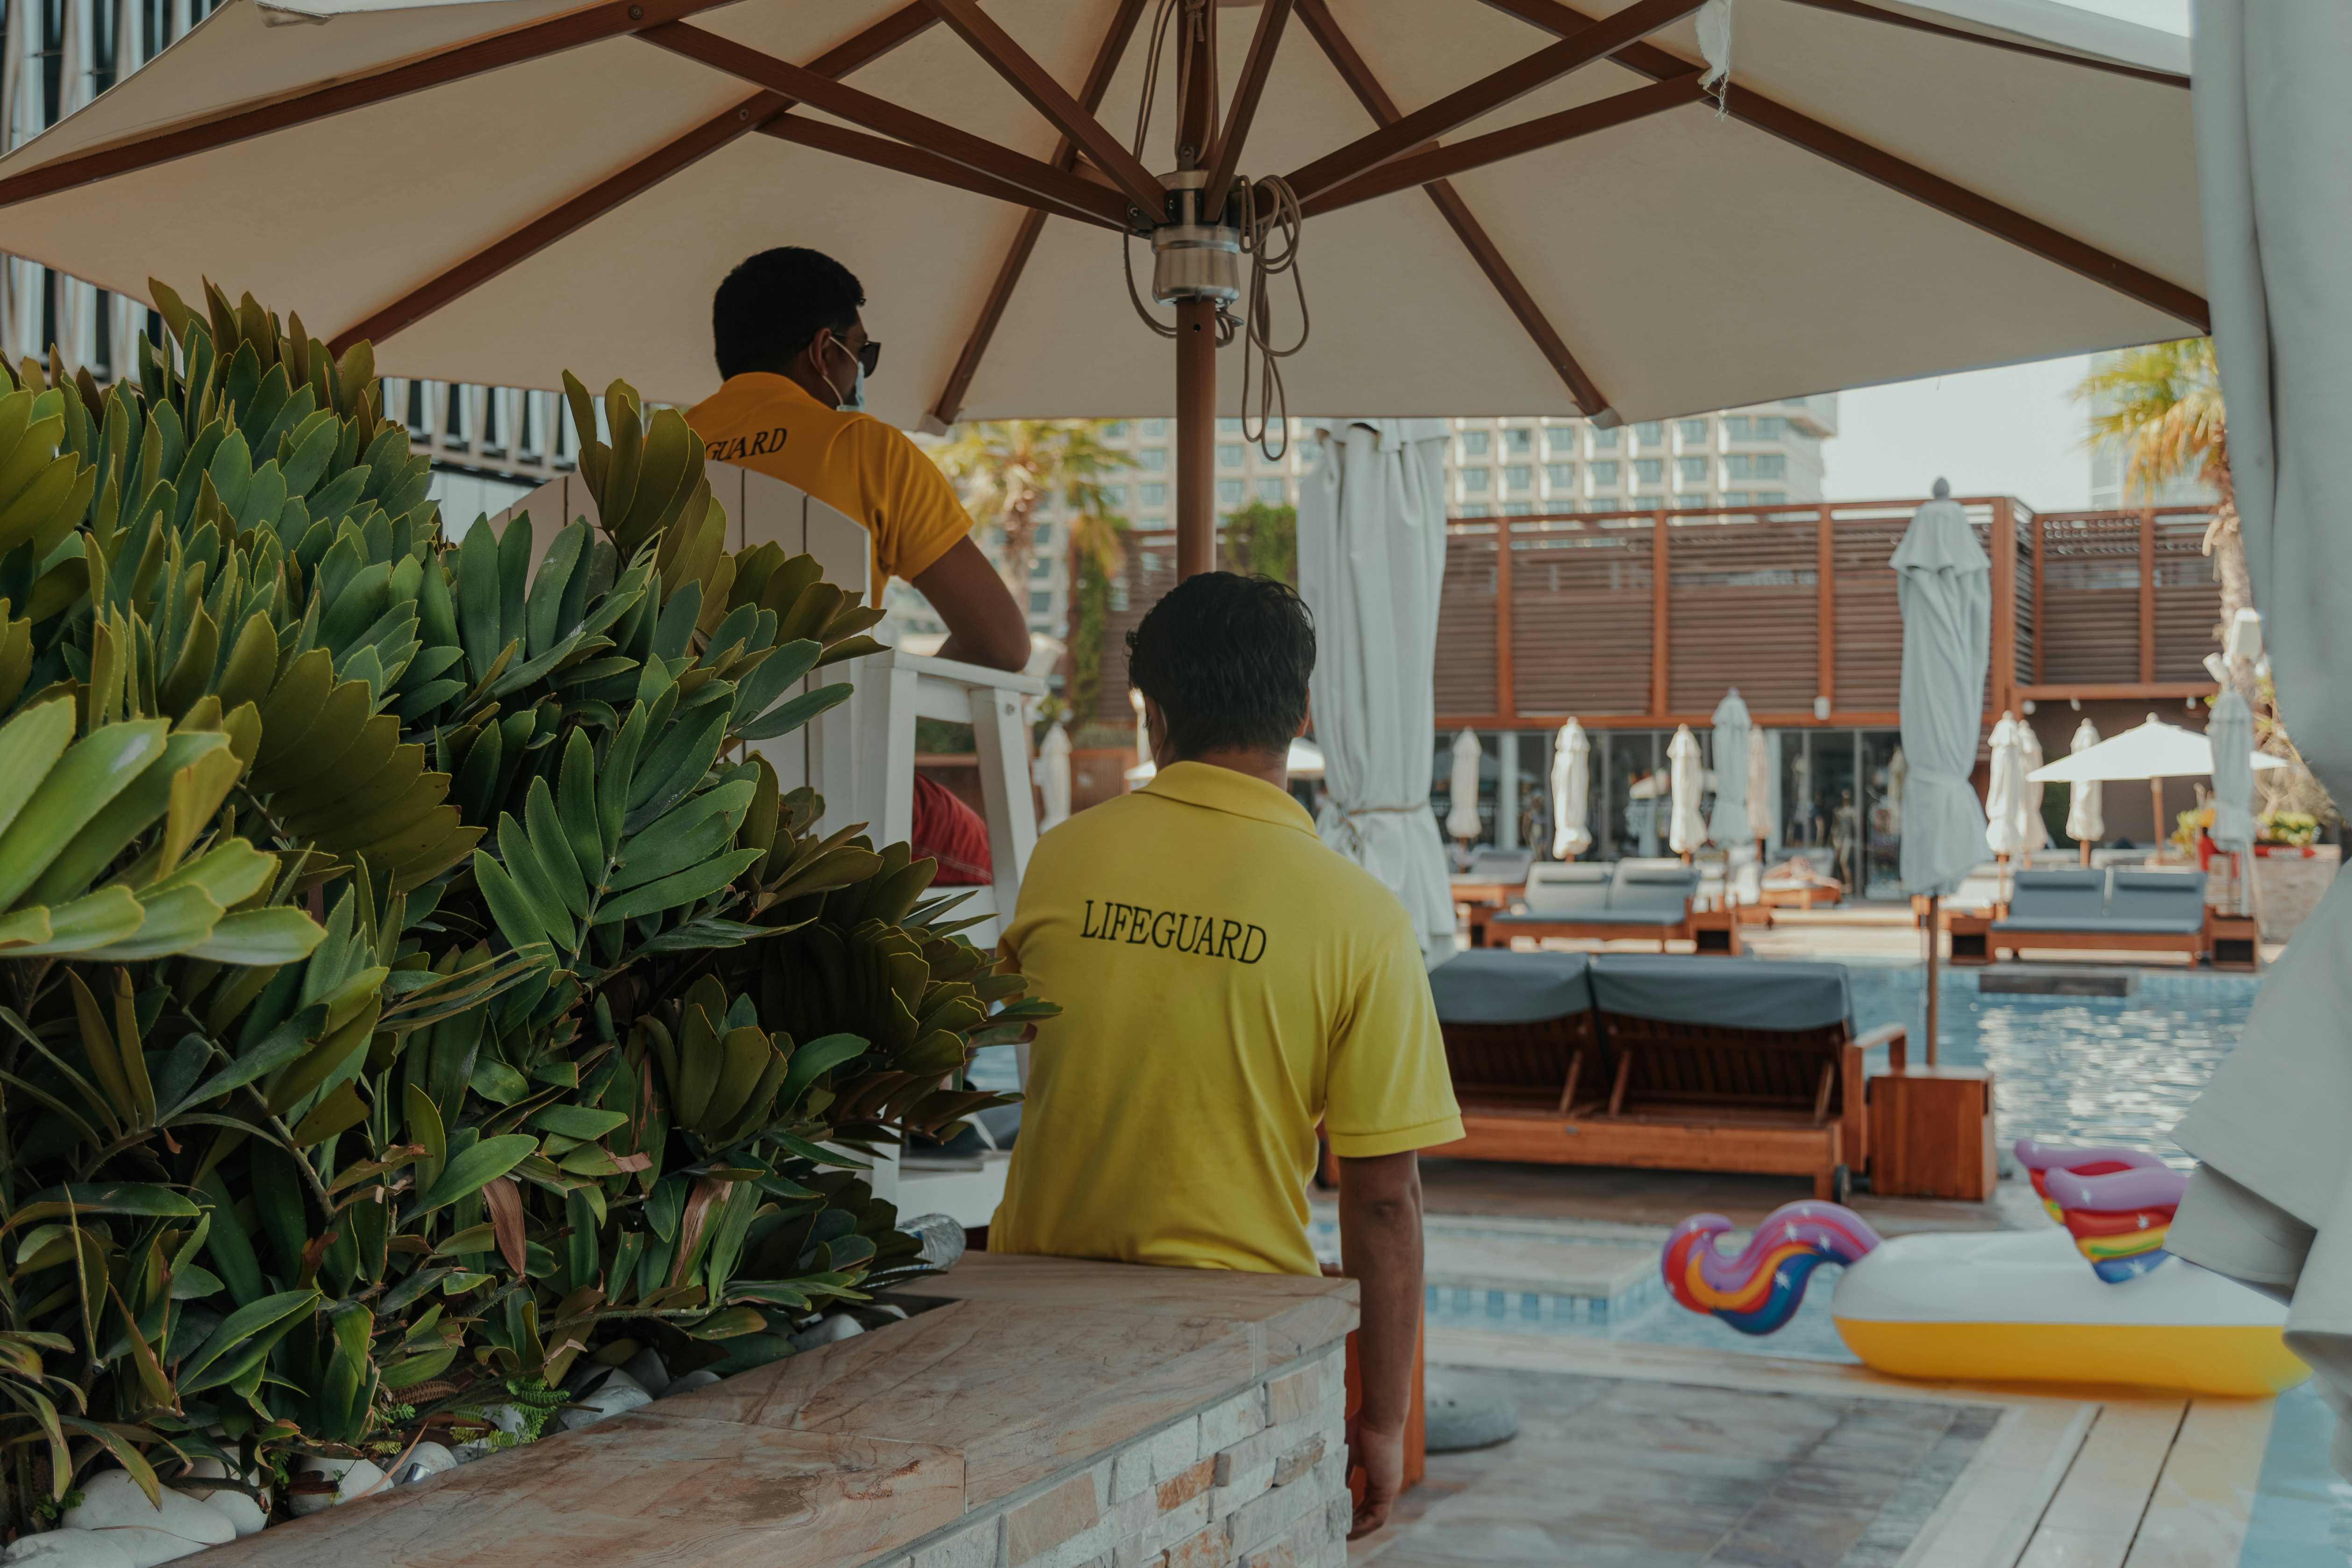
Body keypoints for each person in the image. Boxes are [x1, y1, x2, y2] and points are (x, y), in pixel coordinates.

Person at [989, 573, 1462, 1539]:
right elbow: (1382, 1199)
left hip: (1033, 1314)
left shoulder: (1061, 859)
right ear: (1301, 711)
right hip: (1235, 1345)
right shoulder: (1363, 920)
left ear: (1153, 714)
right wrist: (1381, 1419)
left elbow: (1017, 1030)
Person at [688, 246, 1025, 876]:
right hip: (827, 803)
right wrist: (888, 707)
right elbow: (1002, 643)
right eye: (861, 354)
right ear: (825, 351)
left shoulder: (653, 458)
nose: (859, 374)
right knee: (985, 861)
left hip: (665, 798)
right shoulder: (867, 451)